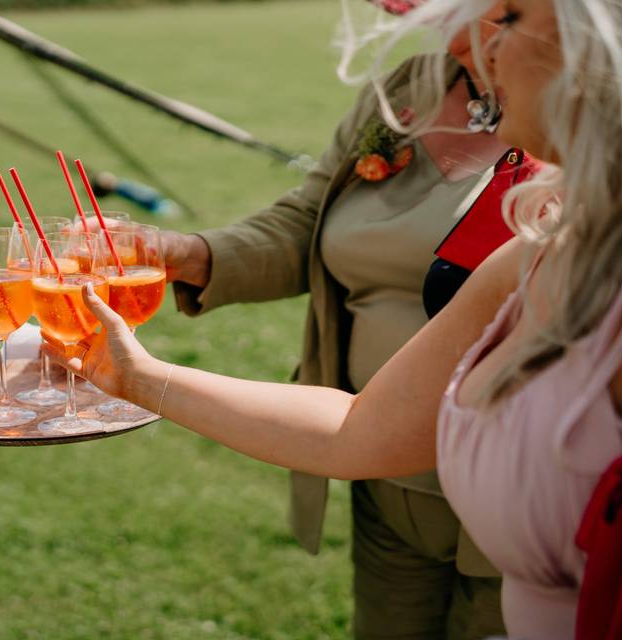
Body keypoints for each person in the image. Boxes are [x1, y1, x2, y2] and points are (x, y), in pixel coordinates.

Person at [46, 0, 622, 637]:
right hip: (394, 476)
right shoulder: (529, 255)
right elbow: (357, 431)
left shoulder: (560, 247)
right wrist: (140, 364)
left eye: (511, 15)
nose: (477, 44)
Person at [159, 1, 515, 636]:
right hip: (377, 464)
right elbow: (309, 220)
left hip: (517, 486)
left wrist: (139, 378)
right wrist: (195, 255)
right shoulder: (411, 85)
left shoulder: (596, 118)